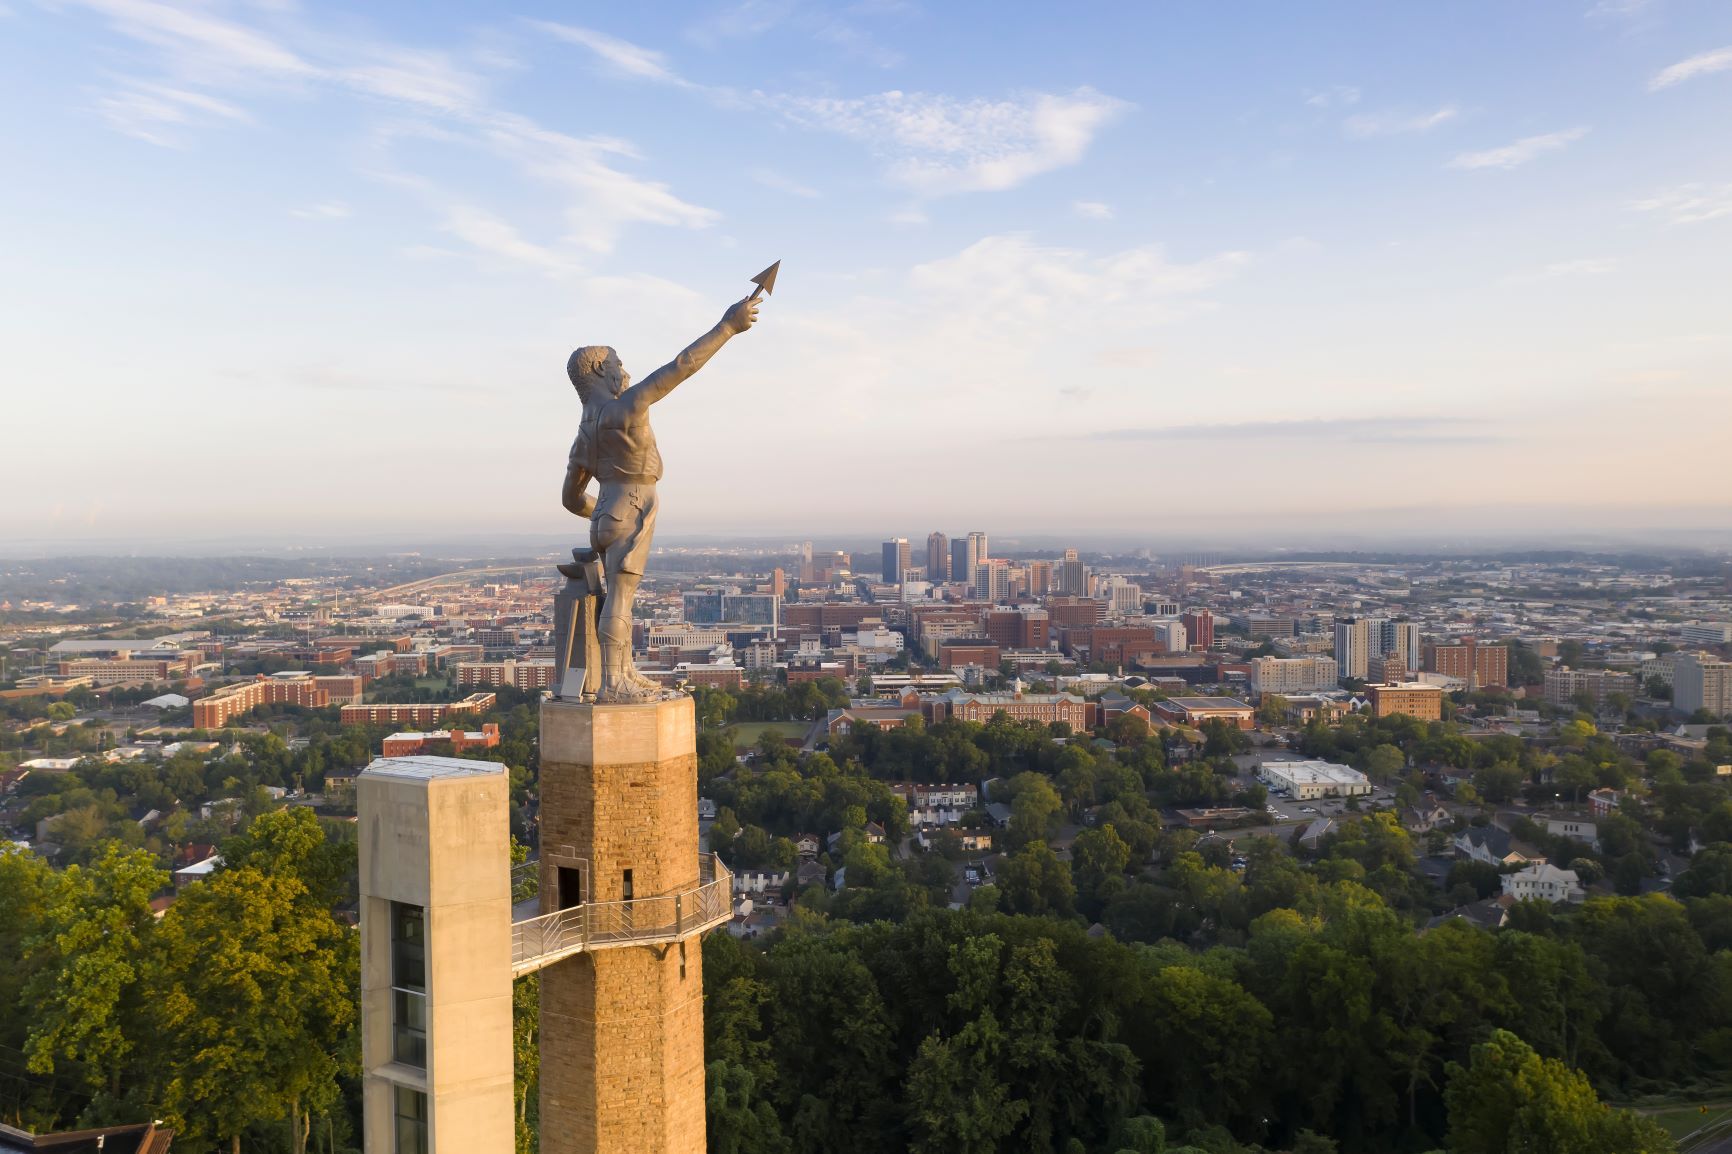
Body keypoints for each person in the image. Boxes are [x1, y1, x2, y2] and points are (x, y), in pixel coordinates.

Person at [562, 294, 762, 701]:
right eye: (618, 364)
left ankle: (624, 673)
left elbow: (571, 497)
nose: (625, 370)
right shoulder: (626, 410)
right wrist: (728, 327)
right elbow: (681, 366)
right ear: (602, 370)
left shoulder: (584, 434)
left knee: (622, 599)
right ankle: (614, 685)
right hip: (633, 506)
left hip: (605, 511)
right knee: (620, 597)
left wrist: (599, 516)